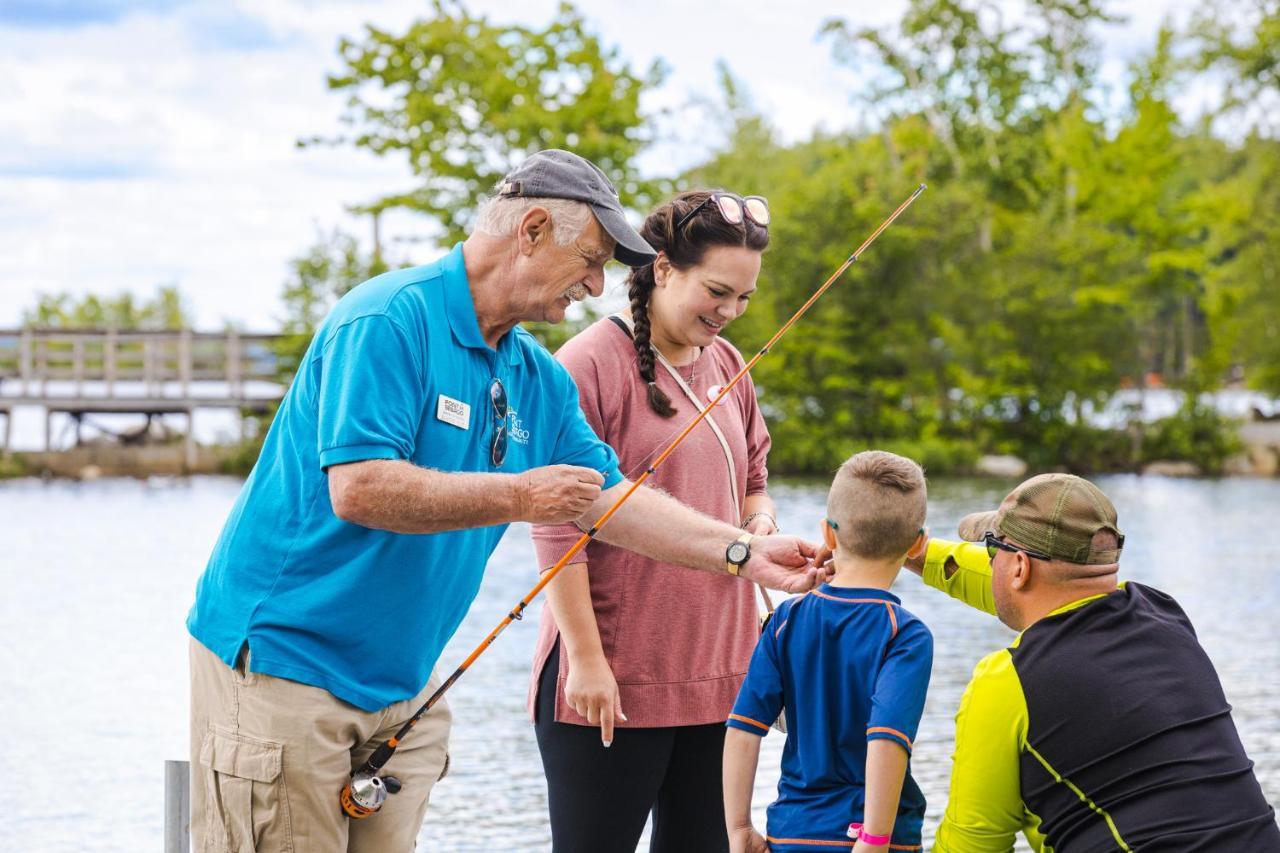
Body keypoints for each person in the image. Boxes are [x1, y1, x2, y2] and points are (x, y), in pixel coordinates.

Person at [185, 149, 831, 853]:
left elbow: (611, 500)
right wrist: (523, 492)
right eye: (589, 259)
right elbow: (360, 486)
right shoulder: (388, 319)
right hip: (286, 667)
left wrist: (744, 552)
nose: (595, 284)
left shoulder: (532, 374)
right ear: (530, 230)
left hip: (400, 684)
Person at [528, 189, 779, 852]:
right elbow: (556, 523)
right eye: (717, 291)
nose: (729, 313)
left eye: (744, 299)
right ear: (663, 267)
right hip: (611, 675)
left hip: (721, 670)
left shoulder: (730, 366)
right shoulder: (587, 363)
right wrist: (585, 659)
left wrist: (761, 523)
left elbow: (753, 482)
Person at [909, 473, 1280, 851]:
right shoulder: (1165, 615)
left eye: (993, 550)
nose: (990, 564)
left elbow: (971, 845)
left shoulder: (1007, 682)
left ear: (1019, 566)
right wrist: (912, 552)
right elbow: (1037, 593)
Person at [723, 450, 933, 853]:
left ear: (828, 535)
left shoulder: (788, 619)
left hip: (792, 831)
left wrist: (738, 828)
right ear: (917, 544)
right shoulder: (905, 635)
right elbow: (887, 739)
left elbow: (744, 727)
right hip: (878, 840)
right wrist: (873, 840)